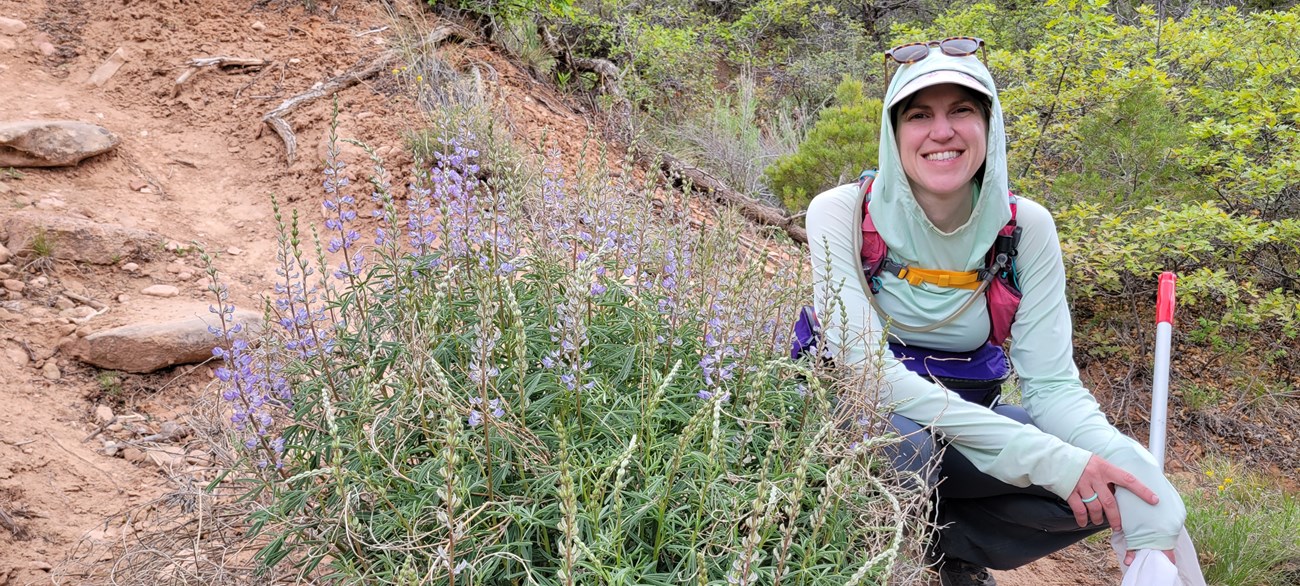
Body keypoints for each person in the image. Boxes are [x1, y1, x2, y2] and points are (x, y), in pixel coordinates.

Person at [805, 38, 1194, 586]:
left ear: (990, 126)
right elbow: (868, 376)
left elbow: (1054, 387)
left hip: (965, 426)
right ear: (893, 134)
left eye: (962, 110)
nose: (942, 132)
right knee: (905, 446)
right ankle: (868, 562)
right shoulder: (840, 213)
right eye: (919, 115)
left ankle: (949, 553)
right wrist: (1052, 462)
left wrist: (1144, 488)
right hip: (856, 416)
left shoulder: (1025, 228)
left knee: (1114, 476)